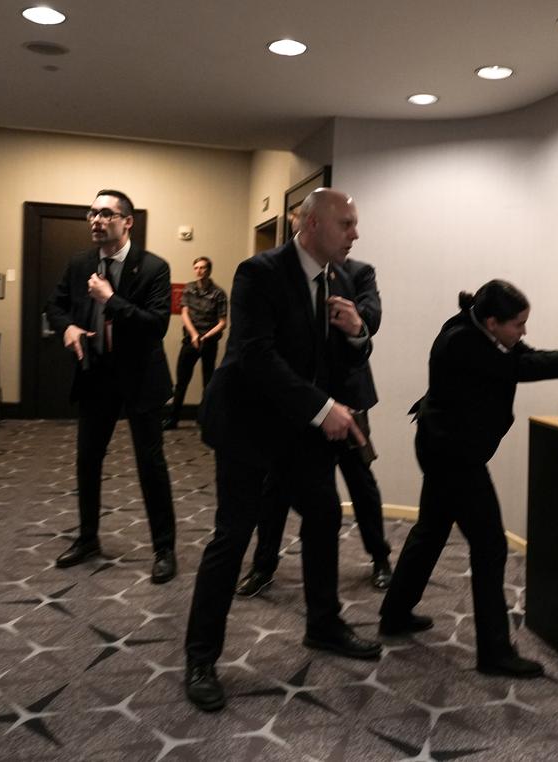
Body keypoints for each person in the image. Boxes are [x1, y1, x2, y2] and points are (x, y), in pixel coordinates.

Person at [184, 188, 379, 712]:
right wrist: (323, 409)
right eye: (347, 223)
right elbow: (255, 356)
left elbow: (343, 356)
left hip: (299, 428)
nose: (355, 233)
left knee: (322, 516)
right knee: (233, 536)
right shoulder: (259, 273)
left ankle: (323, 624)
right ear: (312, 224)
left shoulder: (339, 279)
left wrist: (357, 332)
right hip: (247, 425)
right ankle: (201, 657)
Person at [378, 279, 558, 678]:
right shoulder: (462, 341)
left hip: (445, 448)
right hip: (454, 456)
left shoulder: (480, 330)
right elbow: (522, 367)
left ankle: (395, 613)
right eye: (518, 324)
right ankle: (494, 653)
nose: (523, 332)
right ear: (492, 322)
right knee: (491, 545)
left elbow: (529, 356)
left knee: (430, 530)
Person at [235, 257, 393, 596]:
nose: (351, 234)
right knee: (275, 485)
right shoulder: (281, 274)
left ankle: (380, 558)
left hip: (348, 397)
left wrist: (356, 322)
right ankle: (263, 566)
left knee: (360, 481)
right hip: (298, 400)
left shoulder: (360, 272)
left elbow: (372, 317)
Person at [44, 189, 178, 584]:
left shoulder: (154, 268)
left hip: (141, 378)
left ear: (127, 222)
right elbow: (56, 305)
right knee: (88, 459)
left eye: (105, 214)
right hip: (97, 374)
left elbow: (156, 324)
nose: (96, 220)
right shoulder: (79, 263)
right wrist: (66, 326)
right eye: (92, 213)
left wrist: (111, 298)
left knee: (150, 464)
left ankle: (164, 549)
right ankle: (87, 539)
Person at [164, 256, 227, 430]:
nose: (199, 271)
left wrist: (205, 337)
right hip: (190, 341)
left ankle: (204, 418)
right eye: (196, 268)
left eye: (203, 268)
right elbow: (184, 313)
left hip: (209, 342)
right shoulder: (189, 289)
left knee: (208, 382)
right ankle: (173, 418)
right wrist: (193, 335)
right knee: (182, 382)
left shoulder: (218, 293)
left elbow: (223, 322)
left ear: (209, 270)